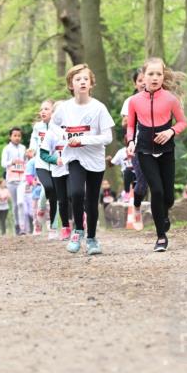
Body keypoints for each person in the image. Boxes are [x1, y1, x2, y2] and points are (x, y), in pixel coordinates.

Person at [49, 64, 114, 255]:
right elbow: (53, 125)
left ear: (91, 83)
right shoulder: (65, 108)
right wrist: (65, 139)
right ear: (71, 84)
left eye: (86, 79)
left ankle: (92, 238)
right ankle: (78, 230)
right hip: (74, 157)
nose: (82, 82)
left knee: (92, 201)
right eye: (78, 79)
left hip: (95, 159)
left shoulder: (99, 108)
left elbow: (107, 137)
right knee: (76, 193)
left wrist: (83, 140)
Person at [126, 57, 187, 252]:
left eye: (158, 74)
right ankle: (161, 236)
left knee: (168, 197)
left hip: (167, 150)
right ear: (143, 77)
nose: (154, 78)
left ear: (163, 76)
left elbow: (182, 122)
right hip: (144, 150)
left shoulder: (170, 99)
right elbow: (130, 125)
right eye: (150, 74)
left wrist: (171, 131)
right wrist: (130, 142)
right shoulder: (134, 101)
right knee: (157, 191)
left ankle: (164, 213)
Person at [40, 100, 72, 240]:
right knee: (62, 200)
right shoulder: (51, 133)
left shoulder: (73, 129)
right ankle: (65, 227)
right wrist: (55, 160)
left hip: (73, 168)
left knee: (74, 195)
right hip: (58, 171)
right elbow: (43, 154)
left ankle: (79, 222)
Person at [29, 101, 59, 237]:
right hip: (41, 163)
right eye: (41, 109)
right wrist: (32, 149)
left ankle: (53, 227)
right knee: (48, 187)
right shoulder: (37, 127)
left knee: (54, 195)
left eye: (46, 109)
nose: (43, 111)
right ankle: (41, 210)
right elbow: (34, 141)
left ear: (53, 112)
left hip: (56, 164)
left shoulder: (58, 127)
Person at [1, 127, 27, 235]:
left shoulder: (23, 148)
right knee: (15, 204)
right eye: (15, 135)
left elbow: (26, 161)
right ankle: (16, 225)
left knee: (21, 202)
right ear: (10, 136)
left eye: (19, 136)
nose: (17, 138)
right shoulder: (7, 149)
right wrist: (11, 162)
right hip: (11, 179)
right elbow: (3, 163)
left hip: (22, 179)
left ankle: (22, 227)